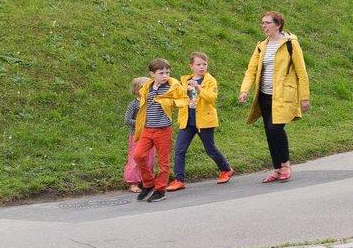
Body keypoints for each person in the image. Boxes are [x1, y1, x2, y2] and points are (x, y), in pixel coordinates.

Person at [238, 11, 310, 184]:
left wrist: (304, 97)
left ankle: (285, 165)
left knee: (275, 130)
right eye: (262, 23)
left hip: (283, 95)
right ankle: (277, 169)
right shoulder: (261, 45)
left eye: (267, 23)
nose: (264, 26)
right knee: (269, 133)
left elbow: (301, 71)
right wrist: (244, 90)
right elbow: (251, 70)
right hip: (264, 96)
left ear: (278, 25)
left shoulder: (291, 44)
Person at [169, 52, 232, 190]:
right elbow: (181, 97)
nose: (202, 67)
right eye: (198, 64)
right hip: (187, 120)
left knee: (210, 149)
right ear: (191, 66)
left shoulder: (210, 81)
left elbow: (211, 98)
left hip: (205, 120)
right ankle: (179, 180)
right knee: (179, 149)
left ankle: (226, 169)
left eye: (204, 64)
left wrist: (198, 88)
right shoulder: (185, 80)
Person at [126, 59, 180, 202]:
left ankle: (160, 190)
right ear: (152, 74)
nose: (165, 76)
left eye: (167, 72)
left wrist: (171, 102)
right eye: (161, 73)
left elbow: (183, 99)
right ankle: (149, 184)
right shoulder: (147, 88)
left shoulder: (171, 86)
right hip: (147, 129)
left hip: (163, 130)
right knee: (138, 156)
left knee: (163, 162)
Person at [123, 76, 149, 193]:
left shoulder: (151, 102)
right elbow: (127, 120)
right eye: (144, 87)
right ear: (137, 89)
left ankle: (146, 180)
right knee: (135, 158)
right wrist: (140, 123)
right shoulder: (133, 104)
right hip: (136, 136)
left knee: (149, 158)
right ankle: (133, 182)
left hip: (150, 135)